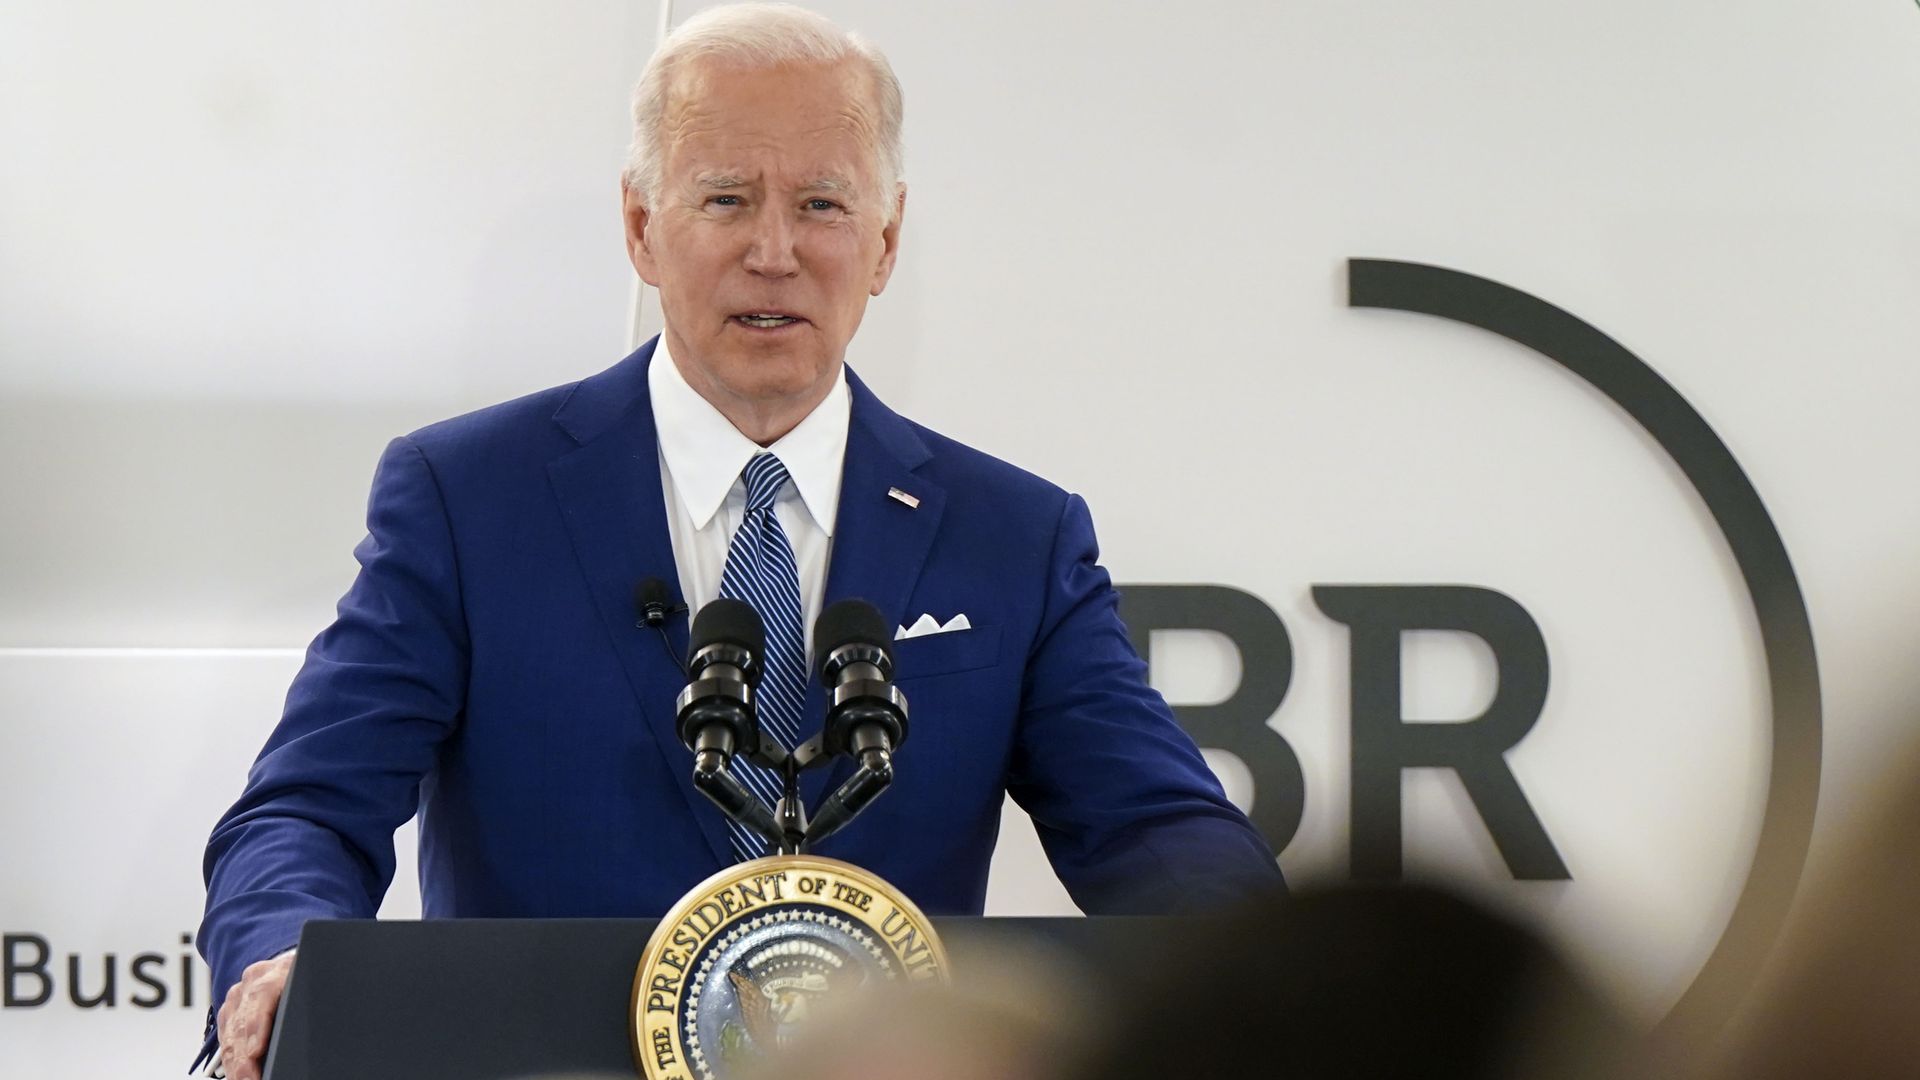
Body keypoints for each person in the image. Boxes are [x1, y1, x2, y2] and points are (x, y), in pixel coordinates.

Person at [196, 4, 1282, 1076]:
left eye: (821, 203)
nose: (776, 251)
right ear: (641, 227)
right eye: (726, 199)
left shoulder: (1014, 535)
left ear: (886, 239)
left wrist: (1255, 986)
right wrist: (285, 962)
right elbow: (308, 808)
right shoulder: (469, 498)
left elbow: (1156, 832)